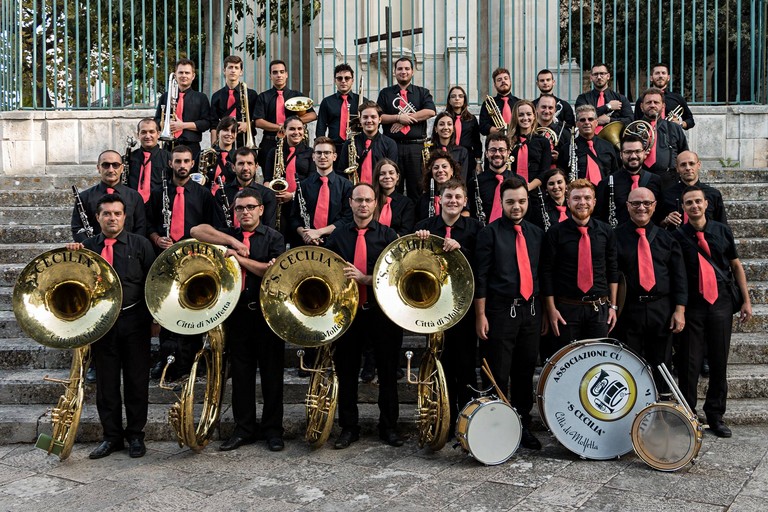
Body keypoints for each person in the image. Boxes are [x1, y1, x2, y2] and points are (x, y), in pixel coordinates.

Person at [191, 188, 286, 451]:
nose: (245, 212)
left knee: (271, 375)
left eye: (250, 207)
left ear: (261, 210)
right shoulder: (229, 235)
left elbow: (271, 271)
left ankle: (273, 431)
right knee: (241, 375)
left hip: (267, 315)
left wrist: (242, 260)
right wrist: (231, 243)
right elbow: (196, 231)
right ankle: (244, 429)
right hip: (235, 314)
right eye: (240, 208)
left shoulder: (274, 237)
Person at [66, 194, 156, 459]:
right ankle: (112, 437)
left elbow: (153, 283)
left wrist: (154, 320)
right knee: (106, 384)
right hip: (101, 324)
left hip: (134, 321)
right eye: (106, 214)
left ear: (124, 216)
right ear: (98, 217)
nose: (112, 218)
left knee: (136, 381)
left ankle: (136, 437)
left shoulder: (140, 244)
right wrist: (70, 255)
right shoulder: (86, 247)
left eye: (117, 214)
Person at [325, 183, 402, 449]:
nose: (363, 205)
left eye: (368, 200)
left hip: (382, 314)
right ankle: (349, 428)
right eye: (358, 200)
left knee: (388, 372)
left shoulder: (388, 235)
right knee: (346, 373)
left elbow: (396, 277)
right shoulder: (338, 237)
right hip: (348, 314)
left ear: (375, 204)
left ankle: (389, 427)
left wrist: (365, 278)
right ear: (350, 203)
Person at [672, 186, 752, 437]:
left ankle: (716, 415)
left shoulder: (721, 230)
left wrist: (746, 301)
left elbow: (736, 266)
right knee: (689, 363)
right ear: (683, 208)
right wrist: (680, 309)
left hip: (720, 302)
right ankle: (688, 413)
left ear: (706, 204)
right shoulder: (677, 236)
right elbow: (677, 275)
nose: (694, 206)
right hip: (693, 304)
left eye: (698, 201)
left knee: (718, 360)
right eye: (688, 203)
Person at [474, 176, 544, 450]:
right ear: (501, 202)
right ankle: (497, 426)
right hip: (500, 310)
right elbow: (481, 277)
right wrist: (481, 315)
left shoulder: (536, 234)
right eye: (511, 202)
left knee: (525, 370)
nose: (517, 207)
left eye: (522, 201)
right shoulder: (488, 233)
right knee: (498, 372)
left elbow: (541, 274)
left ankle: (522, 424)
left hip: (530, 311)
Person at [146, 145, 227, 380]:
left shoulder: (203, 194)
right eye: (177, 161)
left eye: (186, 161)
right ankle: (168, 361)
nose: (182, 165)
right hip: (166, 258)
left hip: (193, 260)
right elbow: (148, 224)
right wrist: (156, 238)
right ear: (170, 164)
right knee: (167, 309)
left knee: (193, 308)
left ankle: (193, 361)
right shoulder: (158, 192)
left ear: (193, 164)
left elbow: (213, 228)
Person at [415, 178, 482, 436]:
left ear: (465, 202)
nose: (453, 200)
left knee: (465, 368)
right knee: (440, 366)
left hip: (462, 309)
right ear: (438, 200)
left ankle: (466, 424)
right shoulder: (424, 228)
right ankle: (443, 422)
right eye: (448, 196)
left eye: (457, 197)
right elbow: (413, 262)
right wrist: (418, 242)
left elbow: (482, 267)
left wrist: (461, 249)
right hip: (433, 308)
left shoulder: (476, 230)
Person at [614, 187, 687, 392]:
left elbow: (679, 277)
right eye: (636, 203)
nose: (641, 208)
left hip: (661, 308)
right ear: (627, 206)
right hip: (629, 309)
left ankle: (661, 408)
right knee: (629, 362)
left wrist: (679, 310)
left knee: (662, 362)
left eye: (647, 203)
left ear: (655, 207)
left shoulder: (668, 239)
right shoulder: (615, 238)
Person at [541, 179, 619, 350]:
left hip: (599, 309)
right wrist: (551, 310)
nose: (582, 202)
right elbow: (547, 272)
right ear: (568, 201)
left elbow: (613, 270)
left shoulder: (606, 231)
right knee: (568, 362)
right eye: (576, 198)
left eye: (587, 198)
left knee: (597, 363)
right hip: (566, 310)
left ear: (594, 202)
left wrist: (613, 306)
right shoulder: (555, 233)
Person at [377, 56, 437, 200]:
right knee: (391, 188)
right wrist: (398, 118)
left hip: (416, 148)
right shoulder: (386, 93)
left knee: (417, 188)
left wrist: (406, 120)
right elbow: (379, 116)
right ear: (395, 72)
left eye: (406, 69)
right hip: (392, 146)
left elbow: (430, 111)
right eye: (400, 69)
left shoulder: (422, 92)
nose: (403, 71)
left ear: (412, 71)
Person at [253, 59, 317, 169]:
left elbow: (313, 115)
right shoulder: (263, 97)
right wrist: (280, 127)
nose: (279, 75)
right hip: (269, 142)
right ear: (270, 76)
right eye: (275, 72)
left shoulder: (297, 95)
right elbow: (258, 121)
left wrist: (292, 124)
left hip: (293, 143)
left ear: (286, 74)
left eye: (282, 72)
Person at [71, 149, 146, 242]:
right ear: (98, 168)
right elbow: (77, 228)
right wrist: (91, 248)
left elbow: (141, 227)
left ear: (122, 168)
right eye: (106, 165)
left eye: (115, 165)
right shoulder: (84, 197)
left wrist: (131, 248)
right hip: (95, 253)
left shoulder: (135, 196)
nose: (111, 170)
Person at [292, 137, 353, 246]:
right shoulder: (303, 185)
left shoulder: (347, 186)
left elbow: (347, 219)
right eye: (318, 153)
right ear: (313, 156)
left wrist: (319, 232)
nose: (322, 156)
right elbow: (294, 218)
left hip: (337, 243)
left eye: (327, 153)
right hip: (307, 243)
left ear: (334, 157)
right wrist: (306, 234)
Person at [595, 135, 663, 226]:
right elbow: (599, 217)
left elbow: (661, 214)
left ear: (644, 153)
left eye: (638, 151)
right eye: (628, 152)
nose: (633, 156)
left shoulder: (656, 180)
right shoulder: (606, 183)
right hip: (618, 237)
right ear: (621, 155)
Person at [263, 116, 314, 236]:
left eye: (299, 129)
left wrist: (291, 195)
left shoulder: (310, 152)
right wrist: (273, 192)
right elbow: (267, 180)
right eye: (292, 129)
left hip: (301, 203)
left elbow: (311, 181)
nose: (296, 132)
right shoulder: (274, 151)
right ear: (284, 131)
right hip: (278, 204)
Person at [154, 58, 212, 163]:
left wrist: (183, 125)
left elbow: (206, 123)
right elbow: (157, 119)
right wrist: (165, 123)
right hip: (169, 146)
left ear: (193, 76)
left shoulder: (201, 97)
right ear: (175, 75)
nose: (184, 75)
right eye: (180, 72)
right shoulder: (165, 96)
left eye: (187, 73)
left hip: (191, 147)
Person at [660, 150, 727, 229]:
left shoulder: (713, 194)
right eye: (683, 165)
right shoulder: (666, 195)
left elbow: (723, 227)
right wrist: (666, 221)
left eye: (691, 164)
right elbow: (657, 225)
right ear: (677, 168)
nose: (688, 168)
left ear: (698, 165)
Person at [636, 87, 689, 184]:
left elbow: (684, 154)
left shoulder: (674, 128)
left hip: (669, 179)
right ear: (641, 106)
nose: (652, 105)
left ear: (663, 106)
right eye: (648, 102)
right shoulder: (633, 128)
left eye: (656, 102)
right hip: (640, 178)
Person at [337, 100, 398, 184]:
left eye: (373, 117)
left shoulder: (390, 144)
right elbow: (341, 171)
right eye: (365, 117)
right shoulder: (350, 143)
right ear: (360, 120)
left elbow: (392, 173)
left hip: (380, 191)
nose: (369, 120)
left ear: (380, 119)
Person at [557, 104, 619, 184]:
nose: (587, 122)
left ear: (596, 123)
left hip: (604, 193)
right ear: (577, 124)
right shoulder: (566, 149)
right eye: (582, 120)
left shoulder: (608, 146)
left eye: (590, 119)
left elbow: (615, 172)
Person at [209, 55, 258, 148]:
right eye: (230, 67)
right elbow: (214, 124)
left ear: (241, 72)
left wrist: (247, 125)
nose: (233, 70)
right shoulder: (216, 96)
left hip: (244, 139)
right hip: (224, 140)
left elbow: (257, 119)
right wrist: (214, 146)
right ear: (224, 70)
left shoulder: (251, 94)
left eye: (236, 68)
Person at [223, 147, 277, 229]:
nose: (245, 168)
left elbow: (268, 228)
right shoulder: (221, 193)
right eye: (241, 163)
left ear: (256, 167)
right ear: (233, 167)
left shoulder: (267, 194)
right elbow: (218, 225)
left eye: (249, 163)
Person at [316, 63, 362, 159]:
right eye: (339, 78)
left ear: (352, 81)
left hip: (356, 146)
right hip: (334, 147)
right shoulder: (327, 102)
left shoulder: (362, 101)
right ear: (335, 81)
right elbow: (321, 127)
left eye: (347, 78)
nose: (343, 81)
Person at [634, 62, 695, 130]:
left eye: (663, 73)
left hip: (672, 138)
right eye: (657, 73)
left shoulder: (678, 98)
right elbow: (636, 123)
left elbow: (691, 121)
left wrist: (680, 123)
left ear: (668, 77)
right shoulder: (642, 99)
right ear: (651, 78)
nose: (660, 76)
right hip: (650, 138)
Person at [575, 63, 633, 134]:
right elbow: (581, 116)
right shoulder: (583, 98)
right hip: (589, 138)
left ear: (608, 76)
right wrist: (608, 106)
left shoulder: (621, 98)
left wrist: (609, 120)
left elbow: (630, 120)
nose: (599, 77)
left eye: (602, 73)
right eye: (595, 74)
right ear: (591, 78)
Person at [507, 99, 551, 191]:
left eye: (529, 114)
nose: (525, 118)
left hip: (536, 192)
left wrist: (527, 188)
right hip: (511, 190)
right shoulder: (508, 141)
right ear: (515, 117)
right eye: (520, 115)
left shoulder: (543, 142)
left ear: (534, 116)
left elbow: (545, 171)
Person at [473, 133, 515, 223]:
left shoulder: (518, 181)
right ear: (486, 154)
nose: (497, 154)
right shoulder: (475, 182)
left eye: (501, 150)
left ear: (508, 153)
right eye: (493, 150)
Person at [126, 118, 170, 203]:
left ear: (158, 134)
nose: (147, 136)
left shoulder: (169, 158)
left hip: (159, 206)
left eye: (151, 132)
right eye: (143, 132)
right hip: (133, 205)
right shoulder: (128, 158)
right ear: (137, 135)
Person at [416, 150, 464, 222]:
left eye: (444, 166)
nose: (440, 170)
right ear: (431, 172)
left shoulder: (459, 196)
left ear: (452, 171)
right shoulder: (423, 199)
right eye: (436, 168)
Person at [372, 159, 415, 237]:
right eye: (382, 174)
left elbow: (406, 231)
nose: (387, 176)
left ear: (397, 177)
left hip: (396, 245)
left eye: (391, 173)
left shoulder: (407, 203)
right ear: (377, 177)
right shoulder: (370, 200)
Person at [445, 85, 482, 170]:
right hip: (448, 155)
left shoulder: (472, 119)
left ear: (464, 100)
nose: (457, 98)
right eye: (453, 96)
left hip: (468, 157)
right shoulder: (444, 119)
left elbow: (477, 142)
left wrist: (478, 163)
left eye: (460, 96)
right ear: (449, 101)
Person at [429, 111, 471, 181]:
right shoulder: (428, 151)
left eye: (449, 124)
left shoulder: (462, 152)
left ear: (453, 129)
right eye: (441, 124)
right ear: (436, 129)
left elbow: (462, 178)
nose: (446, 127)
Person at [479, 67, 521, 135]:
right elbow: (482, 127)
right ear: (495, 85)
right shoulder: (488, 103)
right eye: (499, 80)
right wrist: (493, 130)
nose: (503, 81)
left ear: (510, 82)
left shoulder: (519, 103)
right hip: (496, 141)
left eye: (506, 78)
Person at [203, 116, 238, 195]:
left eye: (233, 131)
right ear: (218, 133)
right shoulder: (205, 155)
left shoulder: (239, 157)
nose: (229, 134)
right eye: (225, 130)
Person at [528, 168, 570, 232]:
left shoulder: (574, 206)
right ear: (546, 188)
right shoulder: (540, 210)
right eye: (551, 184)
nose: (556, 186)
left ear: (566, 184)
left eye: (559, 182)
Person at [535, 93, 571, 168]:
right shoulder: (529, 131)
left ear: (555, 110)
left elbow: (569, 159)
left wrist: (560, 157)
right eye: (543, 107)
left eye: (550, 108)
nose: (547, 111)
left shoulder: (564, 132)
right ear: (536, 109)